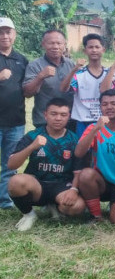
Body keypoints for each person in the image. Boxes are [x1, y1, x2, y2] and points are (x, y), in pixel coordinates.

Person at [7, 98, 86, 231]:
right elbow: (11, 165)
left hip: (62, 186)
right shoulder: (33, 136)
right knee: (15, 182)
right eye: (53, 114)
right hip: (37, 185)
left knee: (77, 207)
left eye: (63, 115)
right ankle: (29, 214)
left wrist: (74, 190)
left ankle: (55, 206)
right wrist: (32, 147)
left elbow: (79, 170)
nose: (58, 118)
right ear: (45, 115)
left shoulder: (74, 139)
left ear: (69, 116)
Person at [74, 90, 115, 224]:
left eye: (113, 103)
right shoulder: (94, 128)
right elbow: (78, 153)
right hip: (101, 182)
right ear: (100, 107)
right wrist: (95, 129)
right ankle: (96, 216)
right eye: (104, 104)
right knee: (86, 175)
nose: (109, 107)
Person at [0, 17, 28, 209]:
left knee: (10, 163)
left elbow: (28, 87)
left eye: (8, 31)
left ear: (14, 34)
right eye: (1, 32)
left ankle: (5, 200)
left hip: (16, 121)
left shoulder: (22, 60)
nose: (4, 36)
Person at [23, 29, 76, 127]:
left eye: (59, 43)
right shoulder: (35, 65)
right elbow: (27, 93)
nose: (55, 47)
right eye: (51, 43)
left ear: (64, 44)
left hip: (70, 120)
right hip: (45, 121)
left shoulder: (72, 65)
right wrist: (40, 77)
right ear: (43, 44)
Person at [61, 33, 108, 137]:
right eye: (90, 47)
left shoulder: (109, 73)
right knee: (83, 151)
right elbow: (64, 89)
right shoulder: (79, 74)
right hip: (83, 121)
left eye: (97, 47)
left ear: (103, 50)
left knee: (102, 151)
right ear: (85, 50)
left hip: (104, 120)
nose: (94, 50)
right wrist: (74, 69)